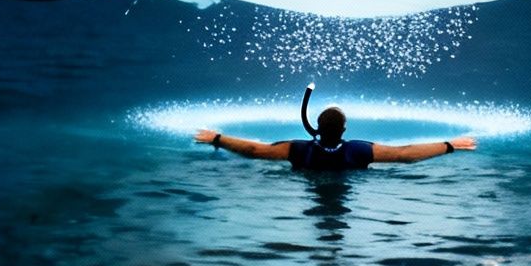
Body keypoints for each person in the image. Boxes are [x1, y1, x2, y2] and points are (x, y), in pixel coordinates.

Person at [194, 103, 477, 172]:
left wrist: (217, 138)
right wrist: (450, 145)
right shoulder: (357, 150)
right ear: (344, 129)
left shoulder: (298, 149)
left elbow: (255, 151)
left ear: (316, 127)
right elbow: (405, 155)